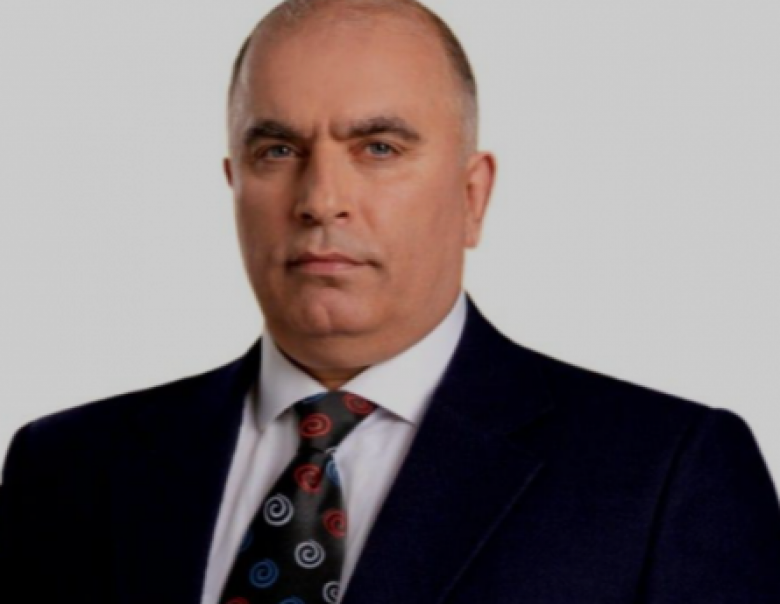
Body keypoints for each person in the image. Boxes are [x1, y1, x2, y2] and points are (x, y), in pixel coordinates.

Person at [1, 0, 779, 602]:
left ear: (472, 196)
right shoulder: (63, 468)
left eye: (379, 148)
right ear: (234, 185)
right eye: (278, 150)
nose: (320, 199)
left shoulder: (666, 476)